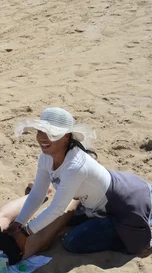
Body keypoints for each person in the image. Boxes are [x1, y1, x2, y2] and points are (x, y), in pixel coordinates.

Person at [10, 107, 152, 255]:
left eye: (51, 133)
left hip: (125, 204)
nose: (42, 137)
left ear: (66, 137)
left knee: (72, 242)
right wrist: (19, 223)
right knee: (59, 221)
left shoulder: (75, 166)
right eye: (40, 131)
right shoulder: (45, 157)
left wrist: (25, 233)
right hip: (95, 204)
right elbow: (38, 193)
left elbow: (57, 208)